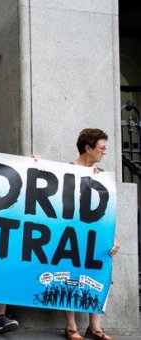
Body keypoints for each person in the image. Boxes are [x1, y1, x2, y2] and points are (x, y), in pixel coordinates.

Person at [63, 128, 120, 340]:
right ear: (88, 148)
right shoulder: (65, 170)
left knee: (98, 274)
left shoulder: (101, 176)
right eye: (101, 148)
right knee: (70, 276)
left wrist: (114, 236)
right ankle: (71, 326)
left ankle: (95, 327)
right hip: (72, 232)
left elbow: (108, 211)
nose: (104, 152)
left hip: (95, 234)